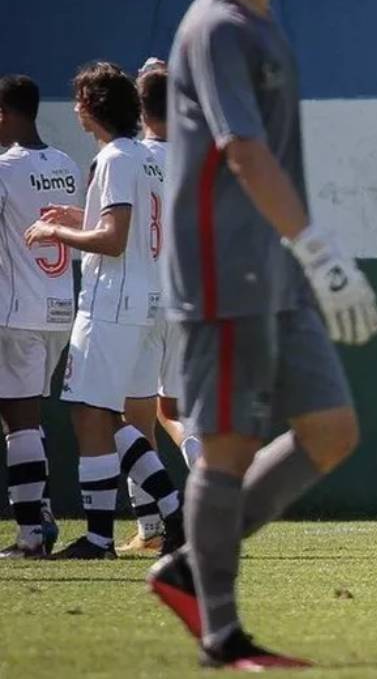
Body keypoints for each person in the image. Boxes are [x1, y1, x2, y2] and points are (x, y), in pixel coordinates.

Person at [146, 0, 377, 669]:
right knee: (228, 446)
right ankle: (221, 633)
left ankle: (187, 567)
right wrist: (319, 249)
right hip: (224, 271)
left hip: (275, 272)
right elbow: (243, 151)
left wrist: (307, 256)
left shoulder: (263, 23)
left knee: (331, 429)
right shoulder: (213, 27)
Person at [24, 62, 186, 560]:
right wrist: (80, 217)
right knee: (118, 419)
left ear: (93, 107)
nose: (74, 108)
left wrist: (58, 233)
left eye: (78, 100)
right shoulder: (146, 156)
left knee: (89, 413)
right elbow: (132, 227)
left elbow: (113, 240)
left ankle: (101, 537)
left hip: (112, 302)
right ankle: (174, 515)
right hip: (145, 300)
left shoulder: (116, 157)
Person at [116, 58, 204, 554]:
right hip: (188, 297)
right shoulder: (198, 156)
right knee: (175, 410)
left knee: (134, 417)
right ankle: (216, 498)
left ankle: (152, 525)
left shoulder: (129, 157)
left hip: (142, 299)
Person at [0, 74, 75, 558]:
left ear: (6, 114)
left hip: (18, 311)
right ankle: (40, 514)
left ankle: (32, 533)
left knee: (20, 420)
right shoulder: (66, 163)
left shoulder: (4, 168)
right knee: (25, 418)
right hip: (59, 308)